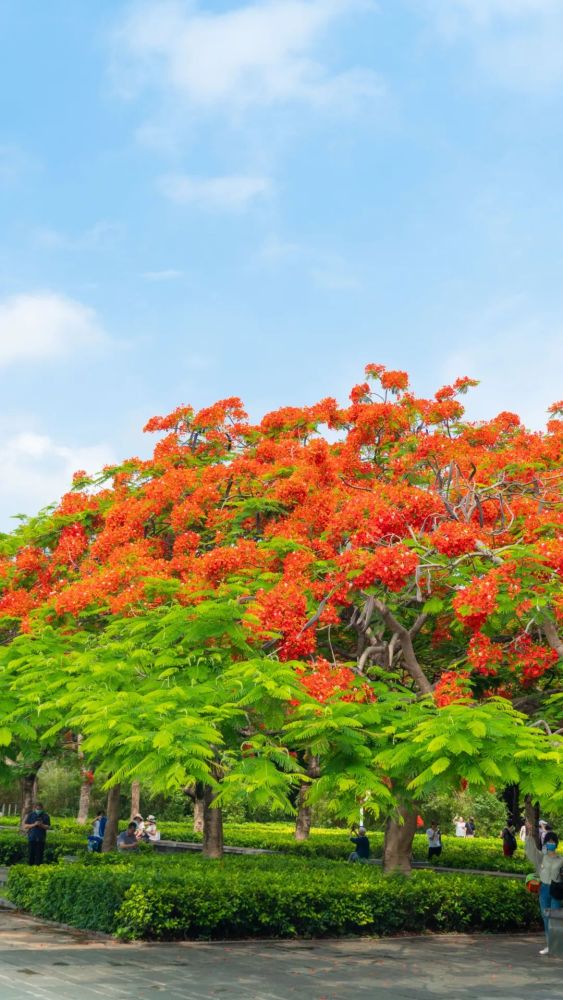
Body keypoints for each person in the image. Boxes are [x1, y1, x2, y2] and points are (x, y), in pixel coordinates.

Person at [526, 826, 563, 955]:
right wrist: (529, 835)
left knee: (555, 918)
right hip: (544, 889)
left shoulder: (561, 859)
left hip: (556, 890)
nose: (551, 843)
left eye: (553, 841)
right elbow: (531, 852)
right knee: (546, 918)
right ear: (545, 843)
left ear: (556, 844)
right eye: (549, 841)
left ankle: (557, 946)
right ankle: (549, 945)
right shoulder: (541, 857)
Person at [23, 801, 51, 866]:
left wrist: (41, 825)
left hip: (41, 839)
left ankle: (38, 869)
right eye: (37, 809)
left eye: (40, 809)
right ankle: (29, 868)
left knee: (39, 856)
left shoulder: (46, 816)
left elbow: (48, 827)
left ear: (42, 808)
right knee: (31, 855)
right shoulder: (31, 815)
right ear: (35, 808)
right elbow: (25, 826)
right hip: (32, 838)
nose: (38, 810)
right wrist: (34, 824)